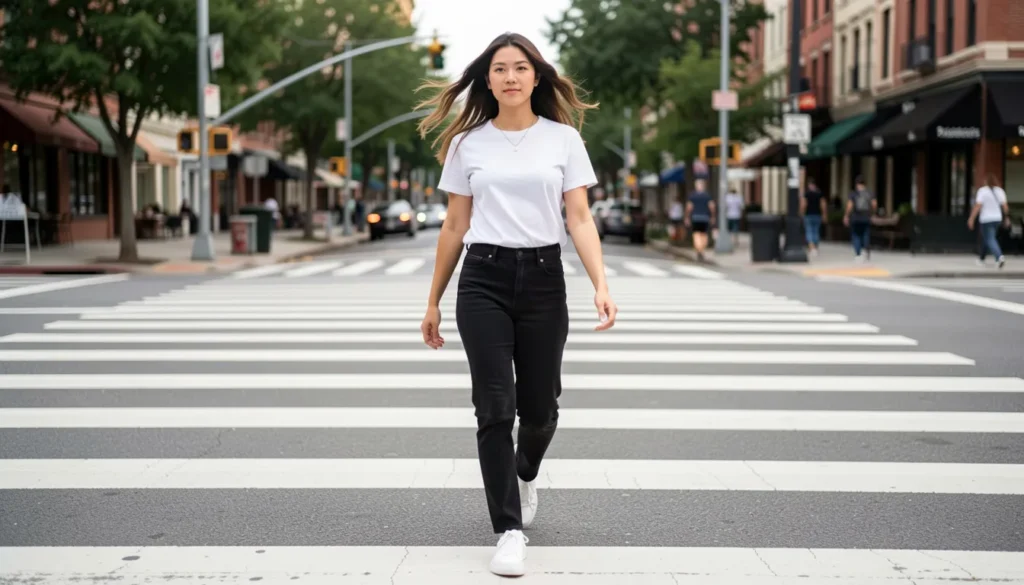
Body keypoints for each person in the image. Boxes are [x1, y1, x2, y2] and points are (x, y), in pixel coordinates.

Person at [415, 32, 619, 577]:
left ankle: (525, 471)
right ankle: (508, 529)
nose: (510, 76)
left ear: (536, 77)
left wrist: (600, 282)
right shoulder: (466, 144)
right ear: (488, 79)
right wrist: (433, 300)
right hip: (482, 278)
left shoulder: (563, 139)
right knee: (493, 408)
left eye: (520, 67)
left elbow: (578, 217)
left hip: (545, 279)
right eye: (500, 68)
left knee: (542, 407)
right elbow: (455, 225)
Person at [968, 174, 1010, 269]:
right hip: (997, 218)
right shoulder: (1000, 191)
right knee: (987, 238)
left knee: (990, 238)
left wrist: (971, 218)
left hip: (986, 219)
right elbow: (1005, 206)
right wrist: (1007, 218)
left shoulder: (983, 191)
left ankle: (999, 257)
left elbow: (978, 206)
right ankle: (981, 258)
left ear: (986, 182)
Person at [843, 176, 876, 261]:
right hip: (866, 217)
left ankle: (858, 254)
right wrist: (872, 213)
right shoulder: (870, 193)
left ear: (856, 184)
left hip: (856, 217)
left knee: (856, 235)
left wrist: (846, 215)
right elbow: (874, 204)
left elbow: (850, 205)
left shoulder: (853, 193)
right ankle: (865, 250)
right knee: (866, 234)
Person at [685, 179, 715, 262]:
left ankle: (699, 250)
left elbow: (689, 207)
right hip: (705, 217)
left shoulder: (692, 196)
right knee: (704, 234)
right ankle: (701, 249)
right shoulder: (707, 196)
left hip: (695, 217)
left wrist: (687, 217)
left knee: (696, 234)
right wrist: (712, 216)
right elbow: (712, 206)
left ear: (696, 186)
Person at [801, 177, 827, 256]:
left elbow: (804, 204)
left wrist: (802, 213)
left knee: (809, 231)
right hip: (817, 214)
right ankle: (815, 247)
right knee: (816, 231)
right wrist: (824, 214)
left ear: (809, 185)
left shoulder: (807, 194)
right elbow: (823, 204)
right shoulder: (819, 193)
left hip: (808, 214)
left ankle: (812, 248)